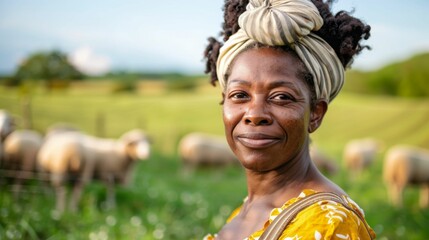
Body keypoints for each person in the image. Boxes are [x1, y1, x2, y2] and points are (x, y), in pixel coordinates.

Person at [203, 0, 375, 239]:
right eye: (240, 95)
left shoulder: (328, 225)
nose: (254, 114)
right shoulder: (243, 212)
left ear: (316, 113)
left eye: (281, 97)